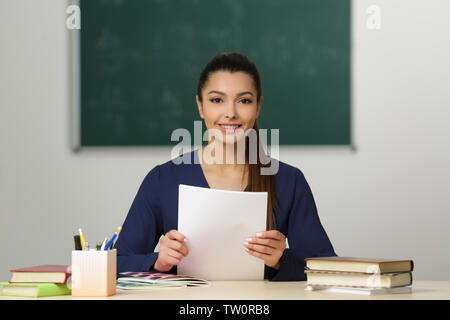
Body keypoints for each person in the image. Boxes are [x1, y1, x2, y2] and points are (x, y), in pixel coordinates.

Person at [114, 52, 337, 281]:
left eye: (244, 100)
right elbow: (117, 262)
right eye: (217, 100)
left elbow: (327, 269)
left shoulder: (289, 181)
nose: (230, 113)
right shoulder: (162, 179)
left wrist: (281, 260)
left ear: (258, 106)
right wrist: (158, 261)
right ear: (200, 106)